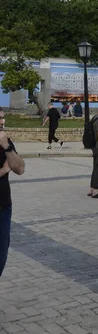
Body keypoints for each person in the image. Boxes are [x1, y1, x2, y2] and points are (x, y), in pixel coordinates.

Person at [0, 109, 25, 277]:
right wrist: (3, 170)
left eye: (2, 118)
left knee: (1, 257)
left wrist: (7, 147)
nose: (2, 122)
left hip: (3, 207)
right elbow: (8, 168)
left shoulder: (5, 141)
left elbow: (20, 168)